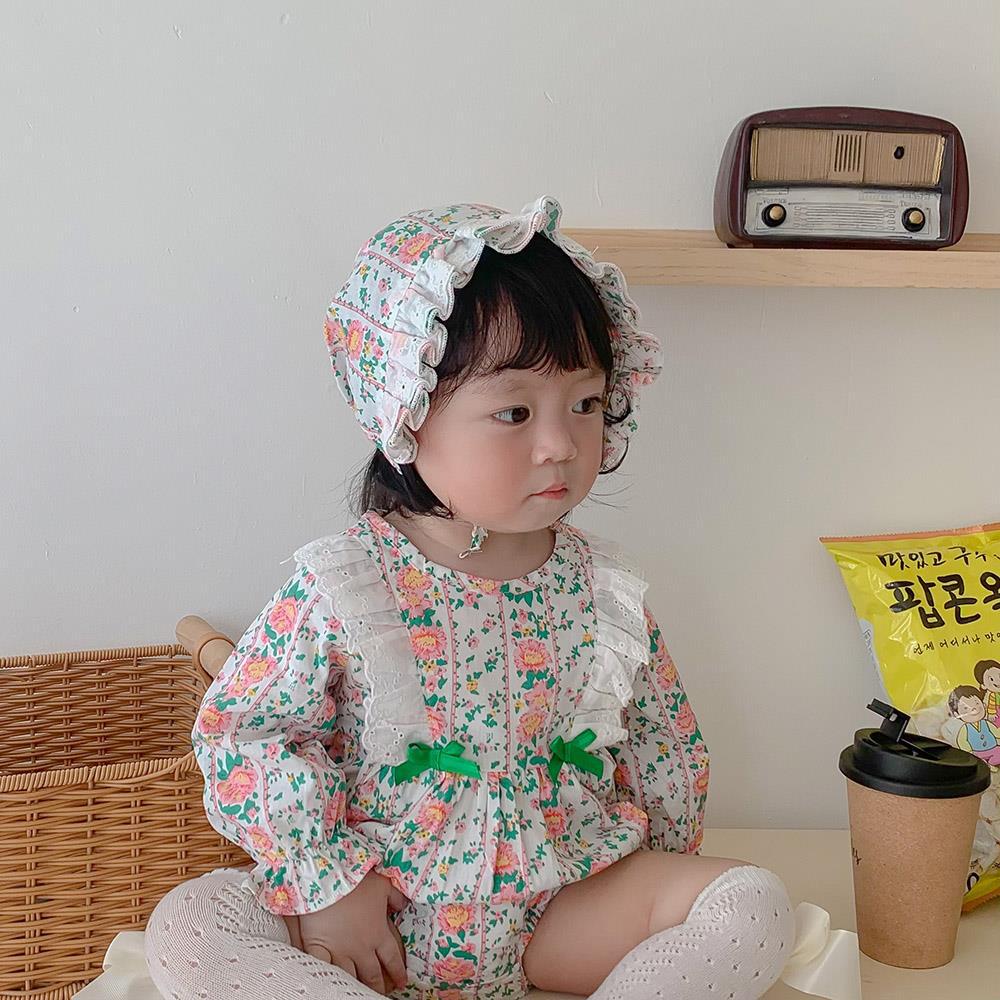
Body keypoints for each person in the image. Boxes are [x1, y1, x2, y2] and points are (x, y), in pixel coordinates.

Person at [144, 195, 796, 1000]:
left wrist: (662, 880)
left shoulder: (606, 591)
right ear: (405, 412)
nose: (560, 444)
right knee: (190, 923)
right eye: (514, 411)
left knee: (750, 900)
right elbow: (246, 732)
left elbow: (662, 747)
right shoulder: (346, 584)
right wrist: (328, 882)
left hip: (562, 906)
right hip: (374, 913)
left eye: (586, 403)